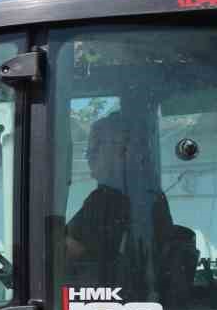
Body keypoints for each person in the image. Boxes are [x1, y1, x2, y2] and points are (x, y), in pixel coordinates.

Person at [65, 112, 172, 265]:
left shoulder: (106, 200)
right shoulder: (152, 194)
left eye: (96, 147)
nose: (89, 155)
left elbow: (65, 252)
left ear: (124, 150)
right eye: (89, 150)